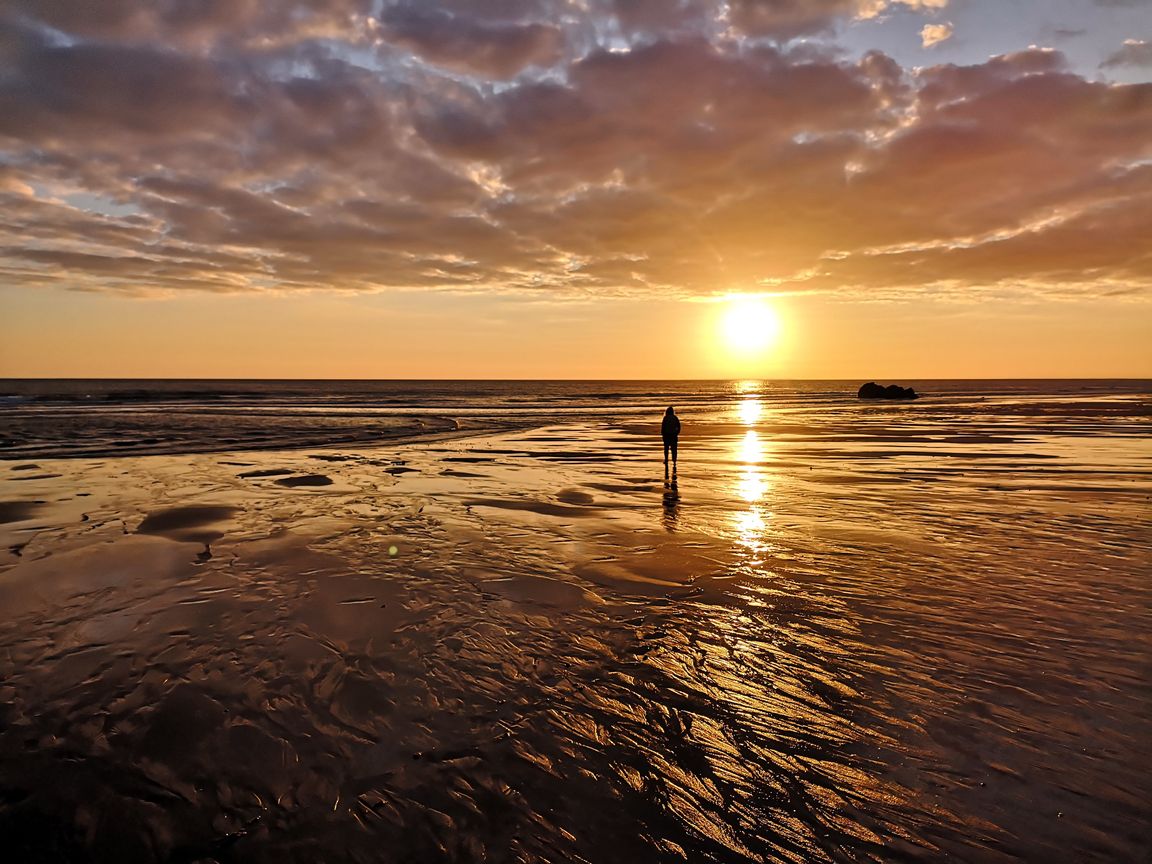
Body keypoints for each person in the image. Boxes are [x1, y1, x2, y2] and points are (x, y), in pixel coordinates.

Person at [661, 406, 681, 473]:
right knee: (674, 449)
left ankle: (666, 459)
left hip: (666, 435)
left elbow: (663, 427)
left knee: (666, 448)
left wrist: (663, 435)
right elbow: (679, 426)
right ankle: (674, 461)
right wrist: (677, 432)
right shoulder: (675, 418)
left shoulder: (665, 418)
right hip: (673, 435)